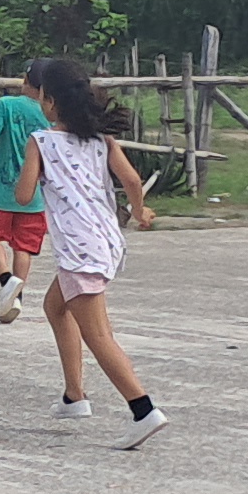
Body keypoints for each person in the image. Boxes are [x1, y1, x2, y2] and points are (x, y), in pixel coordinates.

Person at [17, 57, 168, 449]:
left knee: (98, 335)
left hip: (78, 251)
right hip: (104, 242)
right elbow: (131, 179)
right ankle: (74, 396)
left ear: (50, 101)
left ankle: (143, 409)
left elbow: (24, 195)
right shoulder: (102, 141)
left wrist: (30, 172)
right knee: (55, 306)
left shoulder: (41, 142)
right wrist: (139, 211)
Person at [0, 60, 52, 323]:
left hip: (1, 190)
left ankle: (7, 281)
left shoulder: (5, 105)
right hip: (35, 194)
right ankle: (16, 298)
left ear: (25, 81)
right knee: (23, 246)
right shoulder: (50, 114)